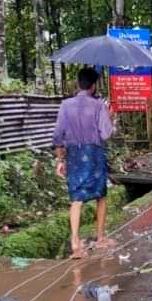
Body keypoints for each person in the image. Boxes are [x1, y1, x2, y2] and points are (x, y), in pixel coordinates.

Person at [52, 66, 115, 258]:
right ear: (94, 86)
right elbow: (105, 134)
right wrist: (110, 118)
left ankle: (75, 243)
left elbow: (57, 135)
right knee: (101, 196)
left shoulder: (65, 105)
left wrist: (60, 159)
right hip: (94, 154)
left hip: (74, 155)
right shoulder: (99, 106)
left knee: (76, 199)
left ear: (78, 83)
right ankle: (100, 238)